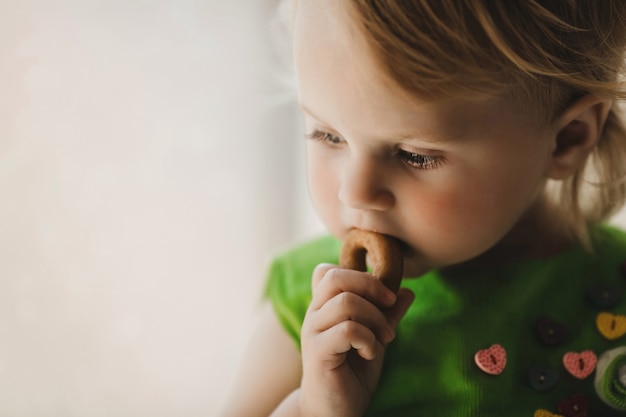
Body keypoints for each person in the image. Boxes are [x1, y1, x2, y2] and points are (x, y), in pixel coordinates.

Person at [220, 1, 626, 415]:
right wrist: (313, 408)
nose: (354, 192)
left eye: (414, 155)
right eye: (328, 135)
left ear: (568, 139)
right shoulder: (312, 311)